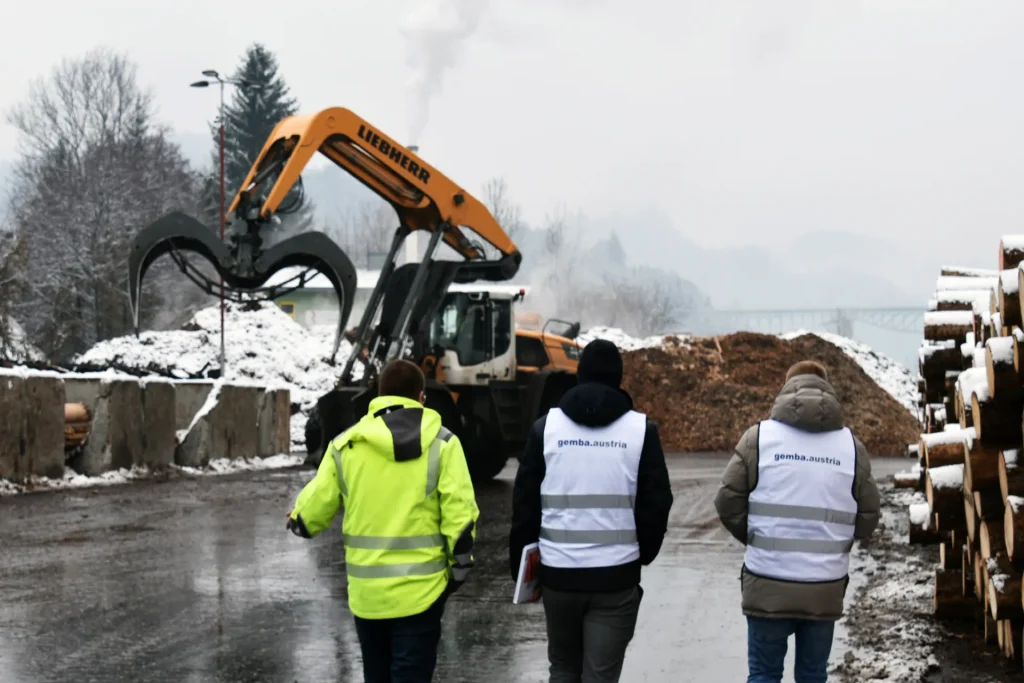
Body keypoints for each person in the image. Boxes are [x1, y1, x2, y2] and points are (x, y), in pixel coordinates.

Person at [286, 358, 479, 683]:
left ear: (378, 394)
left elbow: (310, 515)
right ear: (421, 397)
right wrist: (458, 571)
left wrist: (297, 518)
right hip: (422, 595)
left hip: (368, 598)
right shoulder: (443, 445)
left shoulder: (346, 445)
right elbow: (461, 520)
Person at [510, 338, 674, 683]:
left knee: (564, 670)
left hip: (559, 577)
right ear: (619, 378)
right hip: (615, 579)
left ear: (579, 375)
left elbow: (525, 503)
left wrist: (522, 566)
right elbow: (656, 502)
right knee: (600, 676)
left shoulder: (546, 429)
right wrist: (641, 554)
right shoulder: (641, 432)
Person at [713, 360, 880, 683]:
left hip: (767, 580)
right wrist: (836, 541)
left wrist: (758, 538)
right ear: (828, 391)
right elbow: (869, 517)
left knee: (763, 674)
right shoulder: (851, 448)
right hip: (824, 587)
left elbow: (726, 502)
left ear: (787, 389)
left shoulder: (758, 439)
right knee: (813, 675)